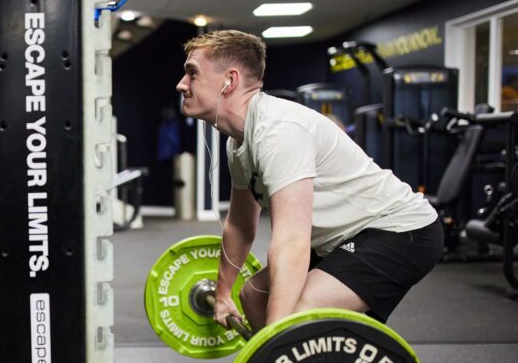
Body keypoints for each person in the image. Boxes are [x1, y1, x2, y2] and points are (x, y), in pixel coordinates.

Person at [175, 30, 442, 332]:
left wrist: (274, 340)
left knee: (297, 316)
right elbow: (239, 225)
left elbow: (292, 241)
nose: (181, 84)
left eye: (192, 73)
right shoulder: (238, 141)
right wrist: (223, 293)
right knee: (253, 296)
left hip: (398, 232)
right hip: (343, 237)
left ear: (230, 80)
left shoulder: (279, 132)